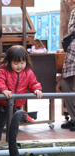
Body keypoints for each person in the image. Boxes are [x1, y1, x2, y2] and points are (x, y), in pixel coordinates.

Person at [0, 45, 42, 142]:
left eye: (22, 63)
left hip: (17, 104)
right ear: (8, 61)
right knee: (0, 123)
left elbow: (33, 83)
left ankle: (12, 142)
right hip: (3, 103)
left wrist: (36, 89)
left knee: (15, 124)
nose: (19, 66)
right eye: (16, 63)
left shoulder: (28, 73)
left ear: (26, 62)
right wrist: (4, 90)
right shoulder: (3, 71)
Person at [56, 0, 75, 131]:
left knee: (68, 85)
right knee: (67, 85)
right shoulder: (73, 11)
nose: (70, 1)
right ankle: (74, 118)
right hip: (72, 56)